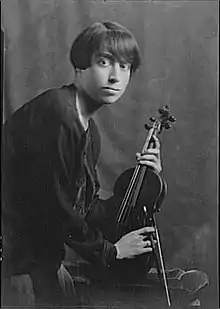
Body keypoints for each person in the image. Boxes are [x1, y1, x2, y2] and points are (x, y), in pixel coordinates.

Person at [2, 21, 162, 307]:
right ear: (80, 67)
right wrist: (110, 253)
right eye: (104, 62)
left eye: (124, 67)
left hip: (40, 259)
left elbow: (85, 207)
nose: (115, 77)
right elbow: (56, 208)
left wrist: (144, 179)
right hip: (15, 263)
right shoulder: (59, 113)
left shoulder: (88, 130)